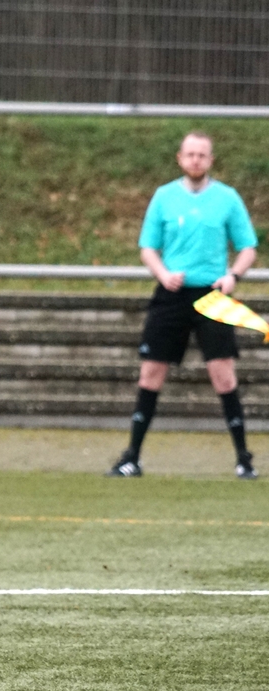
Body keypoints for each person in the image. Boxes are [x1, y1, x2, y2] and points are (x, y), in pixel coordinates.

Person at [109, 131, 258, 479]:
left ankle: (243, 459)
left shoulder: (227, 198)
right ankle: (132, 457)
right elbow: (148, 247)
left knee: (223, 374)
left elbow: (248, 247)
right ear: (180, 158)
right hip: (172, 295)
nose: (195, 160)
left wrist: (233, 275)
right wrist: (163, 274)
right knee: (151, 372)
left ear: (210, 160)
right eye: (190, 154)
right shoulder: (164, 197)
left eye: (202, 155)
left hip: (212, 294)